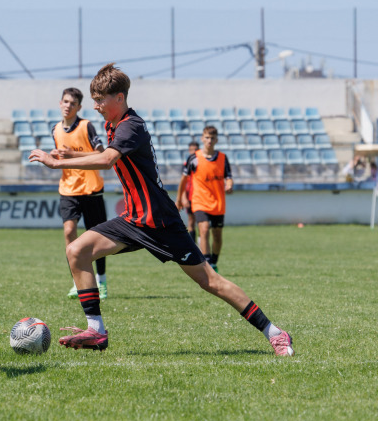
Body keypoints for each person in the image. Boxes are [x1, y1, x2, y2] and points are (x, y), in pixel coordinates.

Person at [28, 64, 293, 357]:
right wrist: (73, 154)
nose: (96, 105)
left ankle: (276, 333)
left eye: (101, 99)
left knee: (211, 282)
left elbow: (107, 160)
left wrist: (57, 163)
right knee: (76, 250)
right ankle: (96, 331)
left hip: (162, 222)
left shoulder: (131, 125)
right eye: (94, 99)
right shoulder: (113, 124)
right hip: (134, 220)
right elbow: (106, 153)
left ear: (119, 97)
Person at [50, 87, 108, 300]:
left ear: (79, 107)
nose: (68, 106)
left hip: (91, 189)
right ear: (60, 103)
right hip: (68, 189)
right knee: (69, 232)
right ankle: (77, 282)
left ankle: (101, 282)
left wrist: (71, 153)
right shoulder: (55, 129)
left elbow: (102, 155)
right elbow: (61, 159)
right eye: (65, 101)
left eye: (72, 103)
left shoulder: (86, 126)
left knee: (98, 239)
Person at [175, 128, 233, 272]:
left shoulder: (223, 158)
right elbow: (183, 180)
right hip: (199, 201)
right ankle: (207, 264)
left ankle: (214, 261)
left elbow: (229, 177)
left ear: (216, 140)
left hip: (218, 203)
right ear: (202, 139)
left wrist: (230, 184)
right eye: (207, 137)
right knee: (204, 229)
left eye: (212, 138)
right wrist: (179, 199)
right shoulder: (193, 158)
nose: (209, 141)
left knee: (217, 235)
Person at [180, 141, 200, 242]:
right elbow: (183, 183)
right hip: (190, 196)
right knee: (191, 221)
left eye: (195, 150)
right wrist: (184, 198)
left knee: (202, 222)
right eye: (191, 150)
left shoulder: (202, 163)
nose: (193, 152)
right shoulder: (186, 165)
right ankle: (194, 245)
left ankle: (202, 246)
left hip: (201, 197)